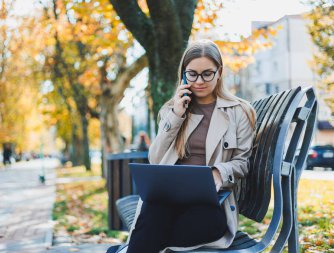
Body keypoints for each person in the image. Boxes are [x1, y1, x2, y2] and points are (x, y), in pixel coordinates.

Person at [109, 39, 256, 253]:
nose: (199, 81)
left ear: (219, 72)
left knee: (195, 225)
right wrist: (177, 115)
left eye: (207, 73)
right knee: (154, 215)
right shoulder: (172, 110)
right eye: (192, 74)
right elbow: (156, 159)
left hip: (209, 203)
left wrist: (217, 173)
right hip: (166, 199)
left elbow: (242, 163)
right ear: (183, 74)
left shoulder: (239, 111)